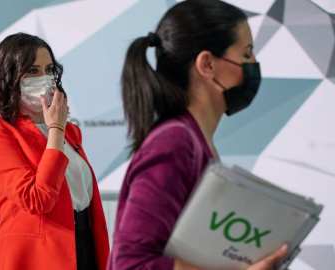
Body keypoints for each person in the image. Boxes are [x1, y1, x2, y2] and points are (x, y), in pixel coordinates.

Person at [108, 0, 288, 269]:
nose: (254, 63)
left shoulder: (193, 141)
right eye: (247, 53)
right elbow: (131, 264)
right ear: (207, 64)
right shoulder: (174, 143)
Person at [0, 33, 109, 270]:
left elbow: (81, 197)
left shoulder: (72, 132)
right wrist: (55, 128)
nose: (45, 78)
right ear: (9, 77)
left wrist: (58, 128)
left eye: (49, 70)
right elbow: (37, 200)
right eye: (33, 71)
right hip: (33, 259)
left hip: (84, 247)